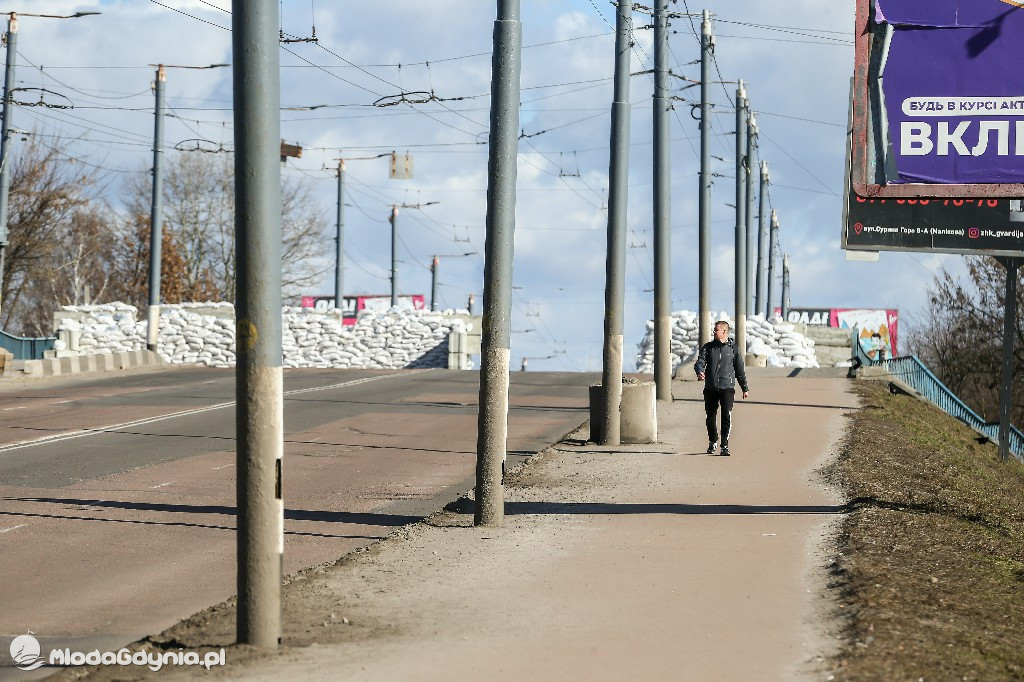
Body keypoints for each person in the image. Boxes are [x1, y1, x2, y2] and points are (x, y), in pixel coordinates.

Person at [693, 320, 750, 456]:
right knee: (710, 418)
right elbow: (699, 362)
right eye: (713, 330)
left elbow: (740, 370)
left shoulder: (733, 349)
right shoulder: (708, 347)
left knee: (726, 415)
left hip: (727, 387)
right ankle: (713, 441)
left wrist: (744, 387)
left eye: (716, 330)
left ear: (724, 331)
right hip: (710, 388)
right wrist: (700, 371)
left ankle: (724, 445)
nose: (713, 332)